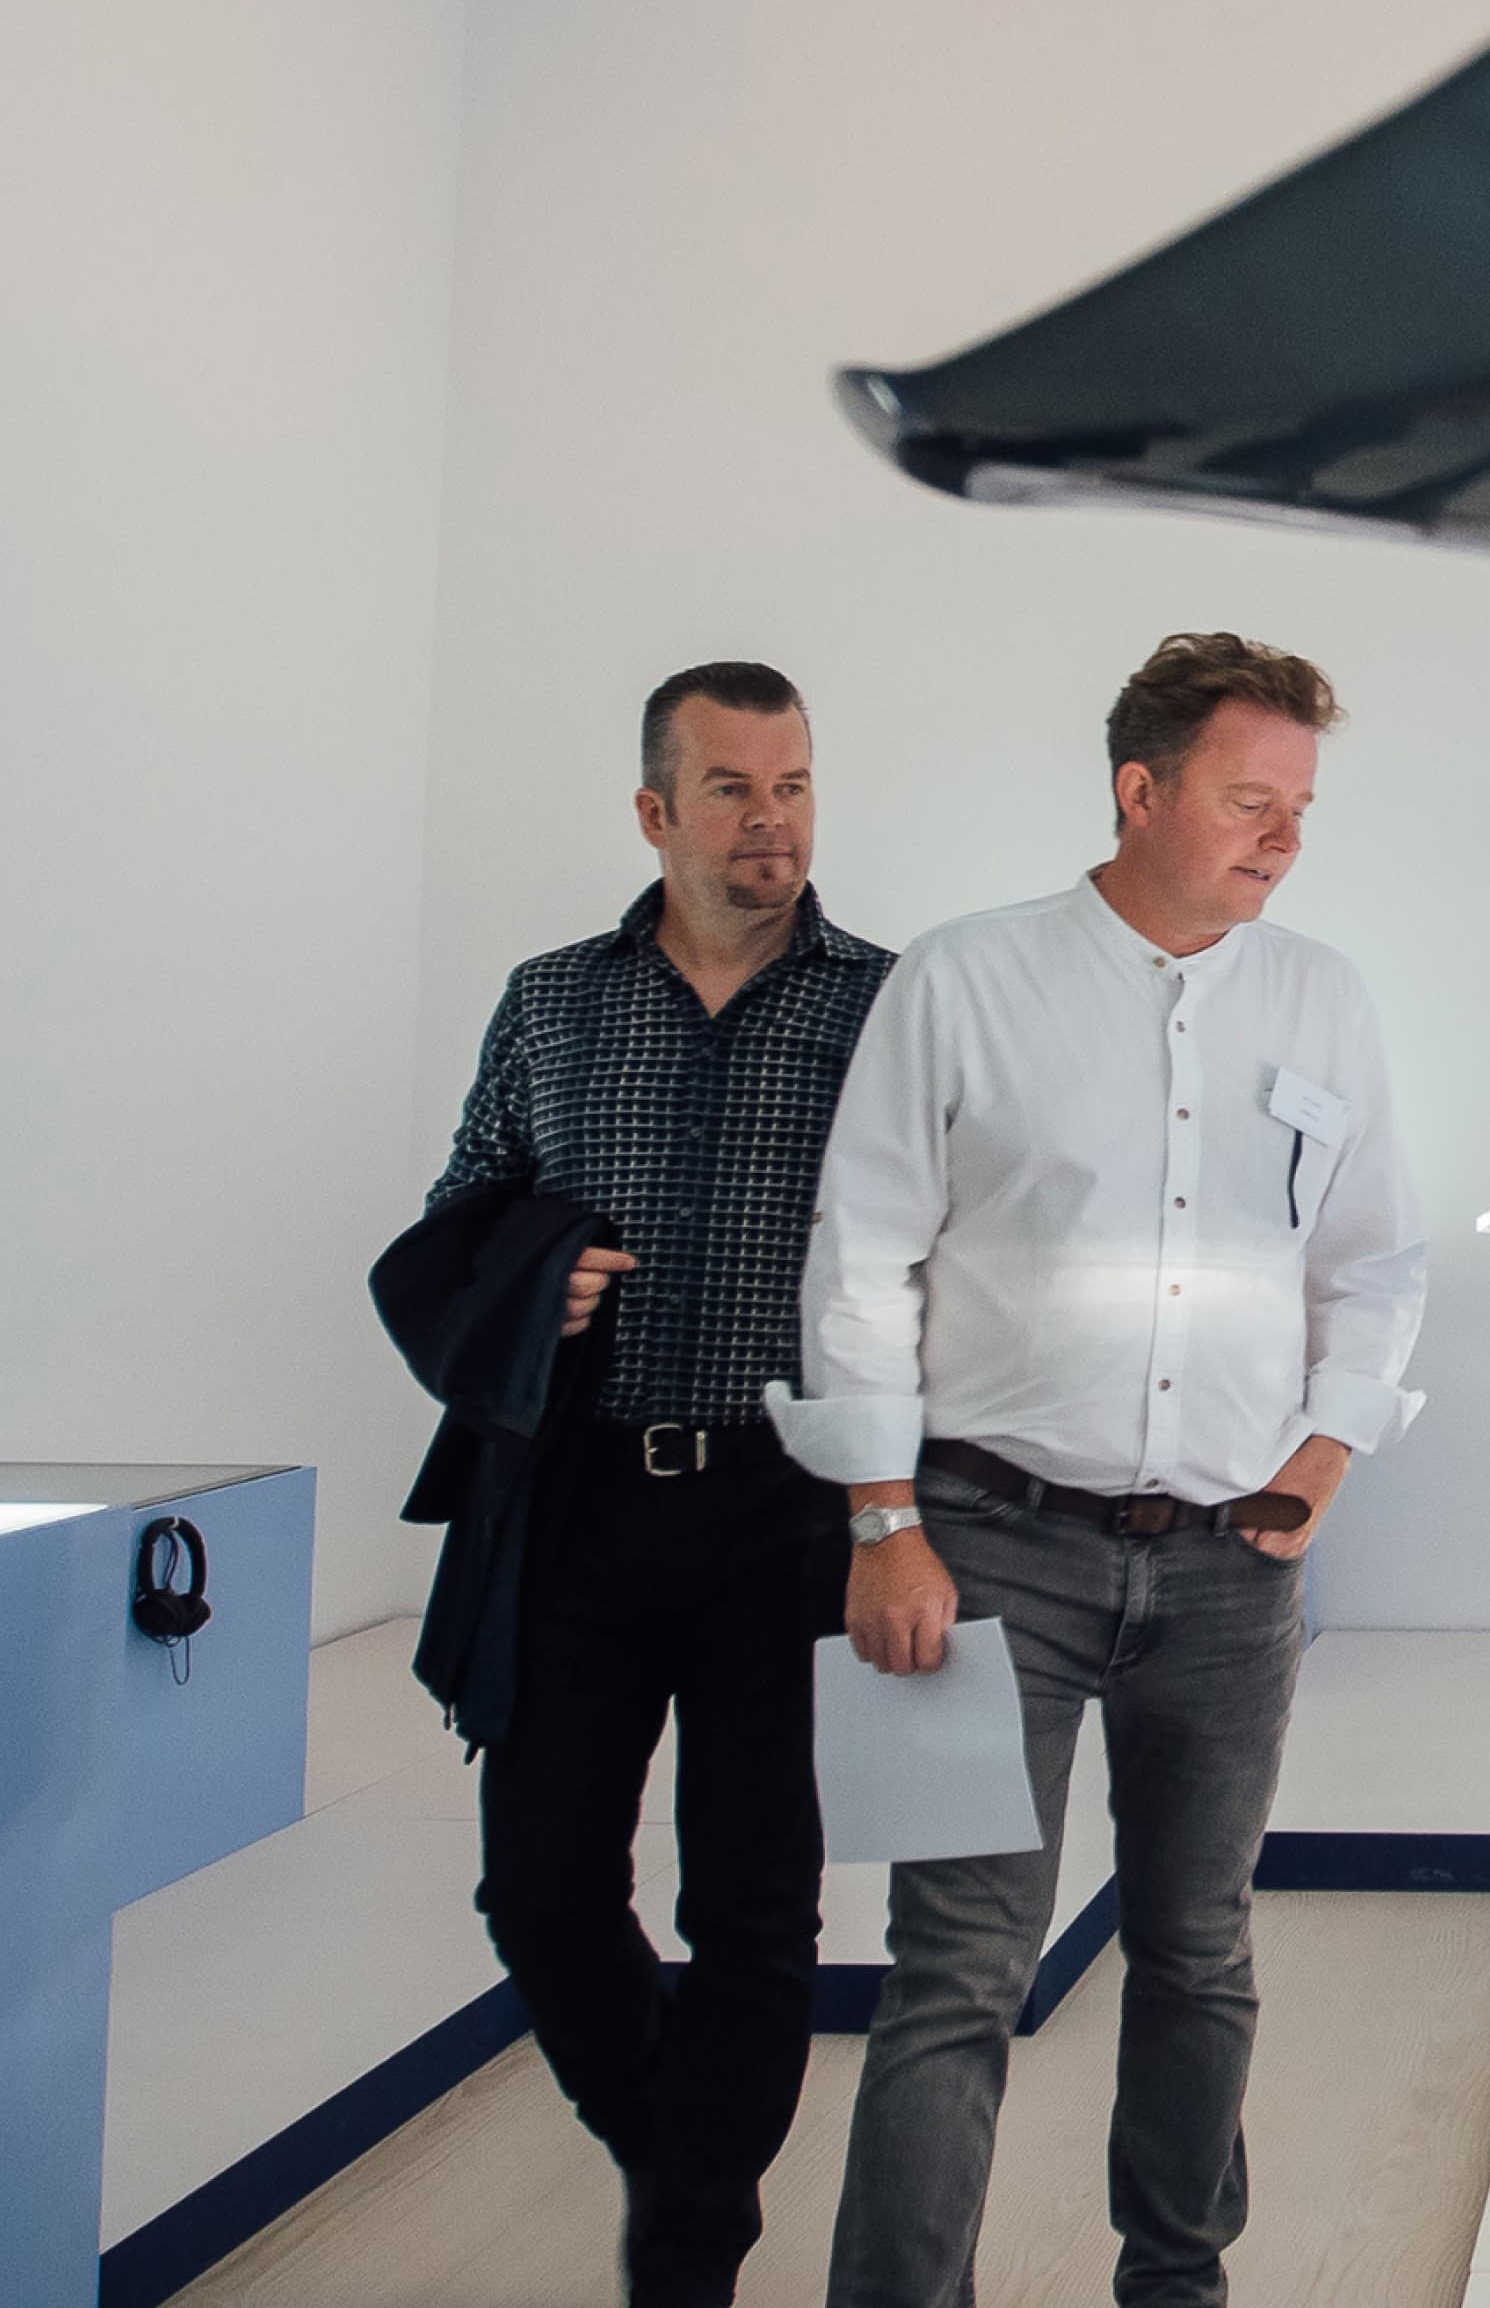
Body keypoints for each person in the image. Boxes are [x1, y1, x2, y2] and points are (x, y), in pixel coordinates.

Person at [788, 631, 1426, 2308]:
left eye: (1298, 807)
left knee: (1201, 1948)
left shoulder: (1323, 997)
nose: (1282, 840)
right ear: (1139, 792)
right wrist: (879, 1521)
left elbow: (1375, 1260)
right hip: (982, 1548)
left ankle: (1176, 2285)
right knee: (953, 1972)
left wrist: (1319, 1463)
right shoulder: (963, 978)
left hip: (1234, 1570)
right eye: (1245, 801)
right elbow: (857, 1260)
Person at [419, 662, 892, 2308]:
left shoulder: (886, 1004)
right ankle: (683, 2160)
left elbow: (955, 1249)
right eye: (732, 790)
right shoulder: (553, 999)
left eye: (795, 786)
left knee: (755, 1904)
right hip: (583, 1503)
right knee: (538, 1885)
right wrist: (518, 1293)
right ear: (654, 811)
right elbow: (462, 1206)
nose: (773, 823)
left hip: (788, 1505)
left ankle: (682, 2255)